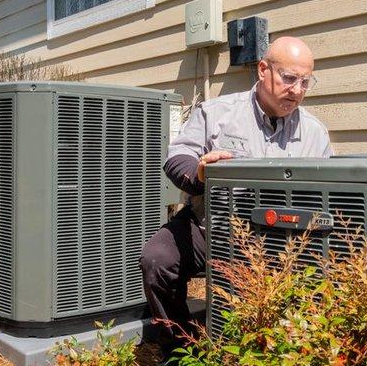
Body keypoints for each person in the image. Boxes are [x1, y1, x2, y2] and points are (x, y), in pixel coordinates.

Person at [139, 36, 333, 361]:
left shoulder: (315, 132)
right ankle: (183, 346)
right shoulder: (217, 113)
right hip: (211, 227)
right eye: (289, 78)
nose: (297, 90)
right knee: (158, 259)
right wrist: (199, 173)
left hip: (281, 239)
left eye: (305, 82)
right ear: (263, 70)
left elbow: (330, 191)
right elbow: (177, 157)